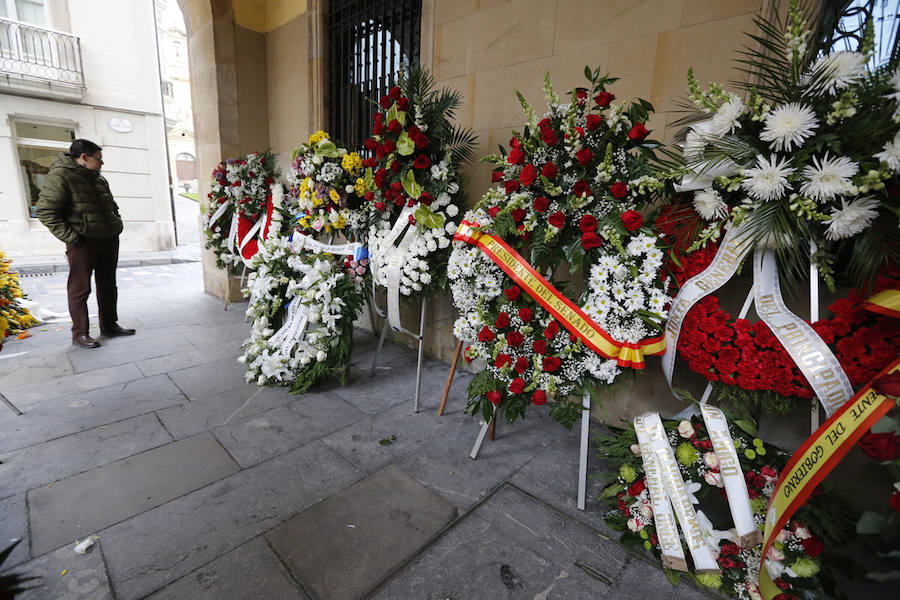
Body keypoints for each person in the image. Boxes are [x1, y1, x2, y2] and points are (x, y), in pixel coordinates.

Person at [35, 139, 135, 348]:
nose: (102, 163)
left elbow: (110, 204)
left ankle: (109, 325)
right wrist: (72, 237)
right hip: (83, 241)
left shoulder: (98, 178)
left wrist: (115, 222)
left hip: (108, 238)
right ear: (83, 157)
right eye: (98, 159)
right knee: (80, 288)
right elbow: (45, 211)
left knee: (108, 285)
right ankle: (79, 333)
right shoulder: (60, 175)